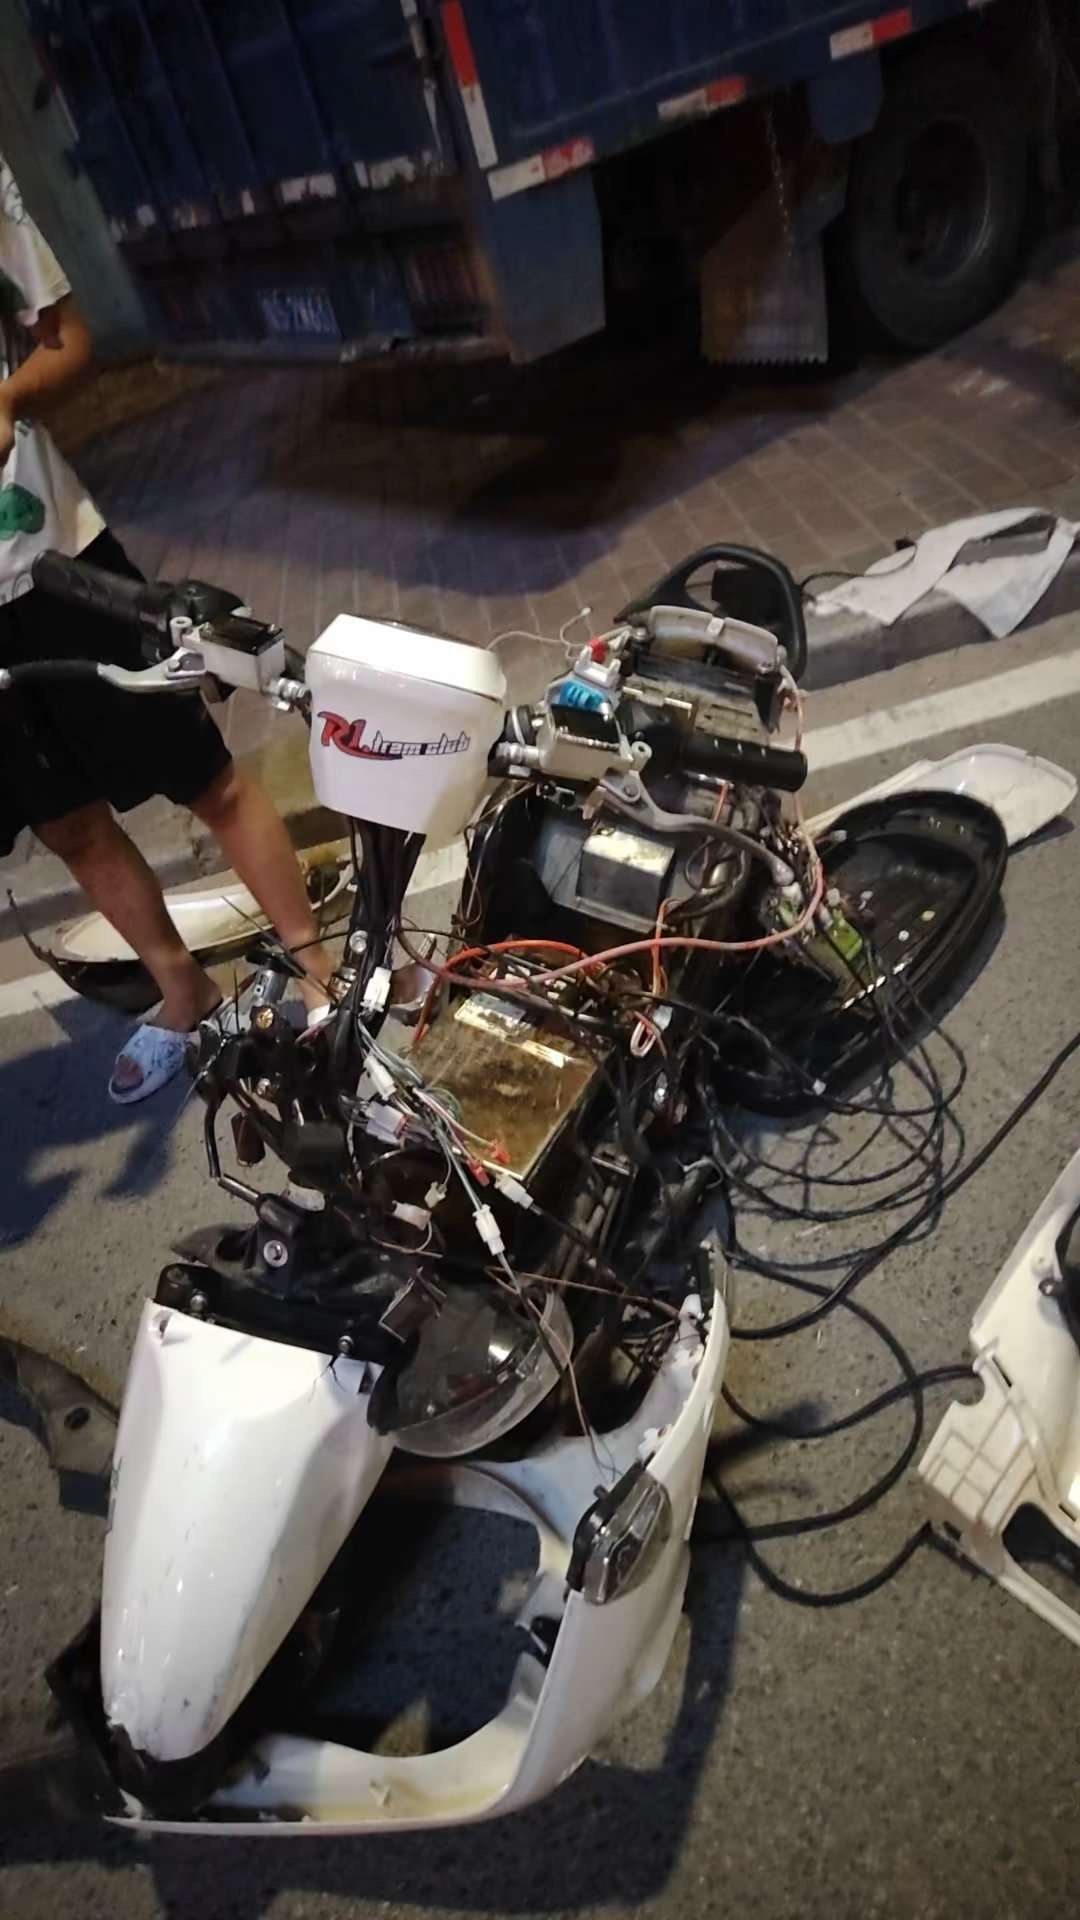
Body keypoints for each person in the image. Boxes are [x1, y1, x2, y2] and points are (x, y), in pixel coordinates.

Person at [0, 156, 332, 1101]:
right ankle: (183, 990)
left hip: (55, 561)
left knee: (204, 777)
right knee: (67, 825)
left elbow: (71, 341)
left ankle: (318, 971)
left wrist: (7, 398)